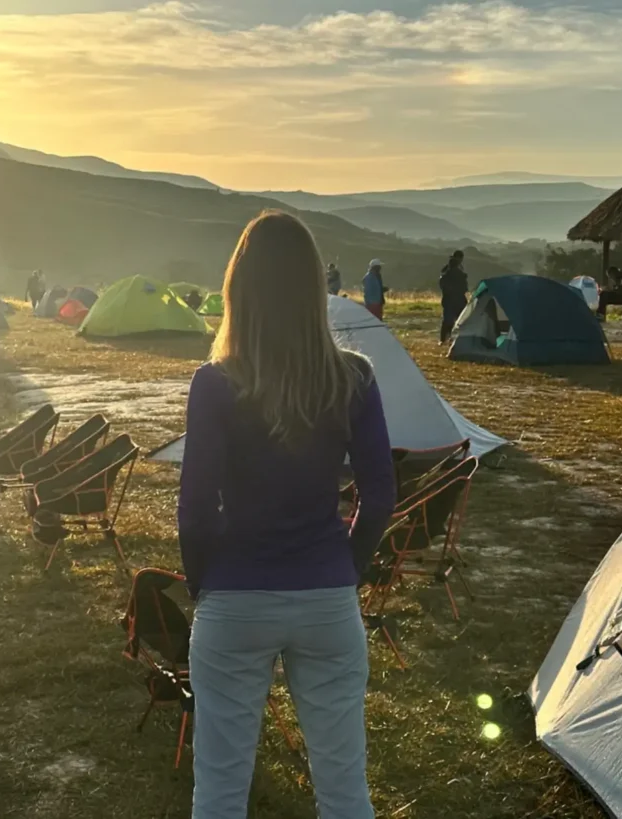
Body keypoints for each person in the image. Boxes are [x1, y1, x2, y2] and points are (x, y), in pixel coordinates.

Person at [180, 209, 396, 819]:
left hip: (234, 597)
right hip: (327, 597)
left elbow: (195, 510)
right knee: (345, 790)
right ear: (313, 288)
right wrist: (345, 566)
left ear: (238, 289)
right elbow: (380, 495)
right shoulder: (354, 377)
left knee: (219, 794)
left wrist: (205, 584)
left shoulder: (215, 383)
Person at [439, 250, 469, 344]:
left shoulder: (446, 271)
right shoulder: (459, 272)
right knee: (460, 319)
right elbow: (464, 288)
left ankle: (444, 339)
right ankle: (453, 338)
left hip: (449, 298)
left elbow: (442, 283)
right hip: (458, 299)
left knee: (448, 320)